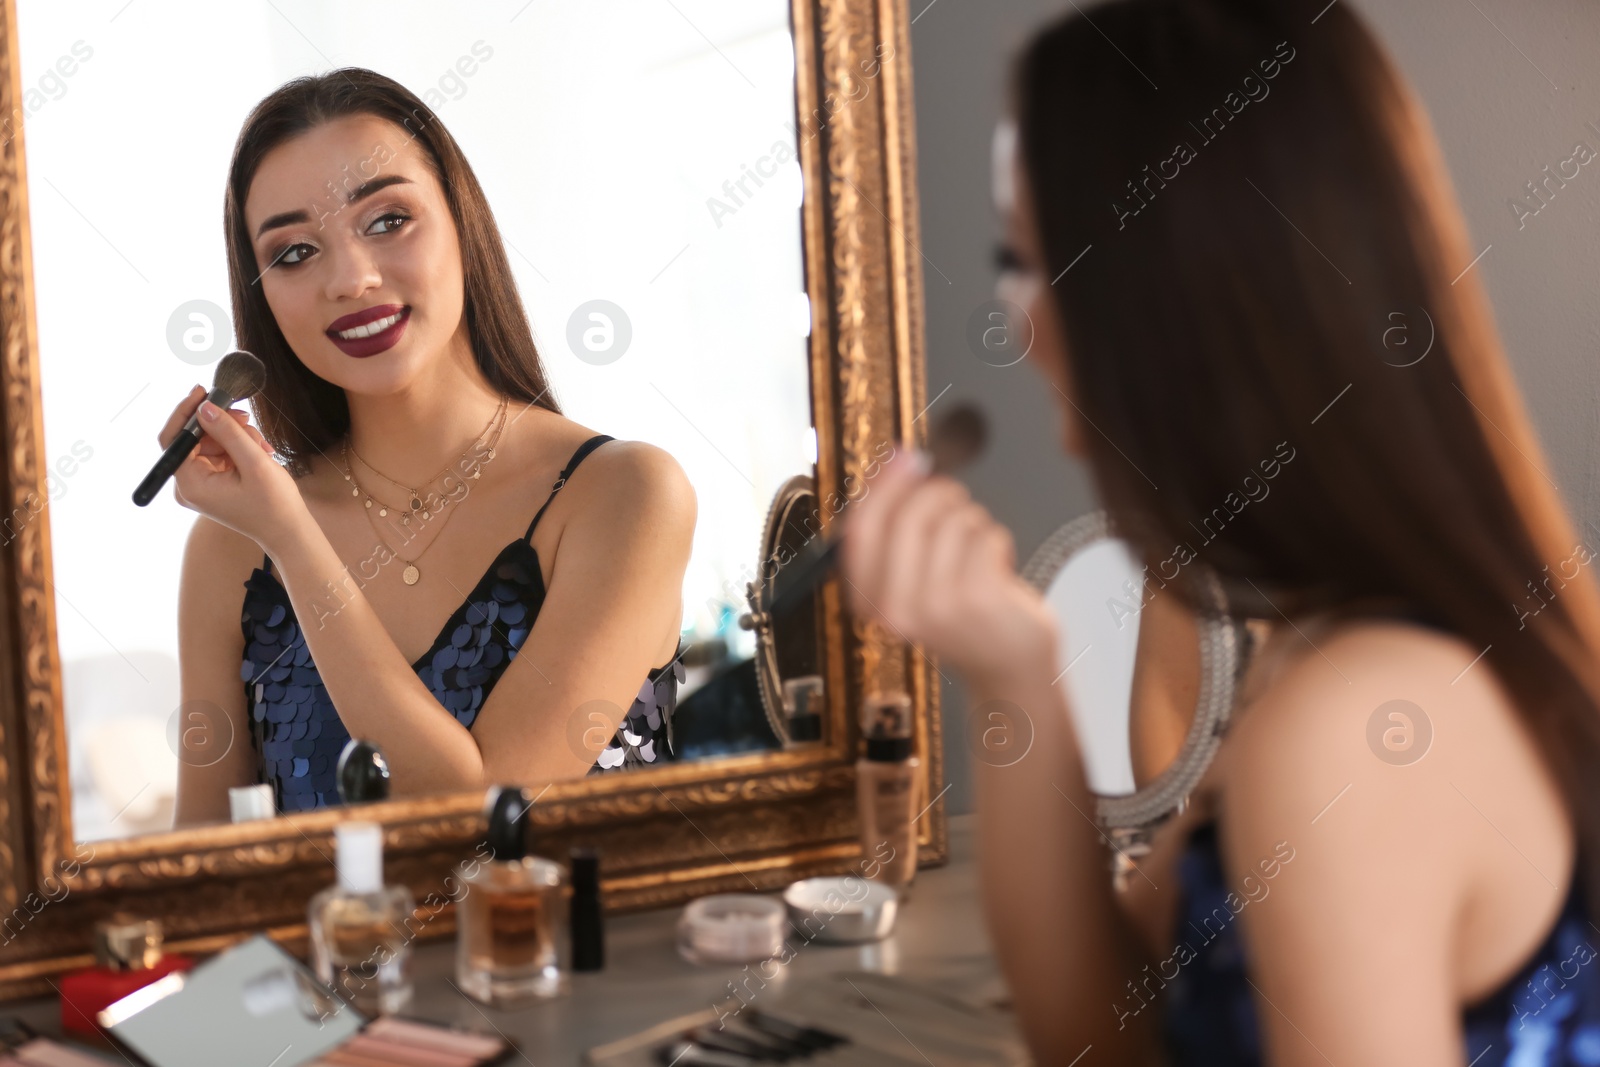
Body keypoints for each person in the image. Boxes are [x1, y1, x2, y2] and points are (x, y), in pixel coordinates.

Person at [841, 1, 1600, 1063]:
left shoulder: (1354, 723)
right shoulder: (1324, 657)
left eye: (1024, 256)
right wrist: (1017, 677)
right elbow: (1106, 1035)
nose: (1012, 315)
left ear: (1154, 294)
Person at [167, 69, 695, 823]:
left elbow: (481, 821)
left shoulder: (626, 494)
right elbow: (202, 880)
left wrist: (292, 536)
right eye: (293, 253)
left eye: (386, 220)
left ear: (462, 221)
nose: (351, 279)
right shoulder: (229, 549)